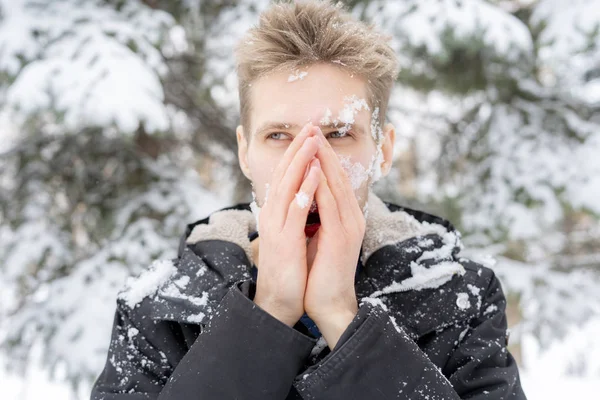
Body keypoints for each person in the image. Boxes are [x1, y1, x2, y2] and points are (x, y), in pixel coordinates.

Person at [91, 1, 527, 399]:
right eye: (279, 136)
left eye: (338, 135)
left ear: (383, 151)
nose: (310, 167)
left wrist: (343, 318)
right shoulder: (159, 309)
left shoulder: (460, 297)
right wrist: (270, 311)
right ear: (245, 152)